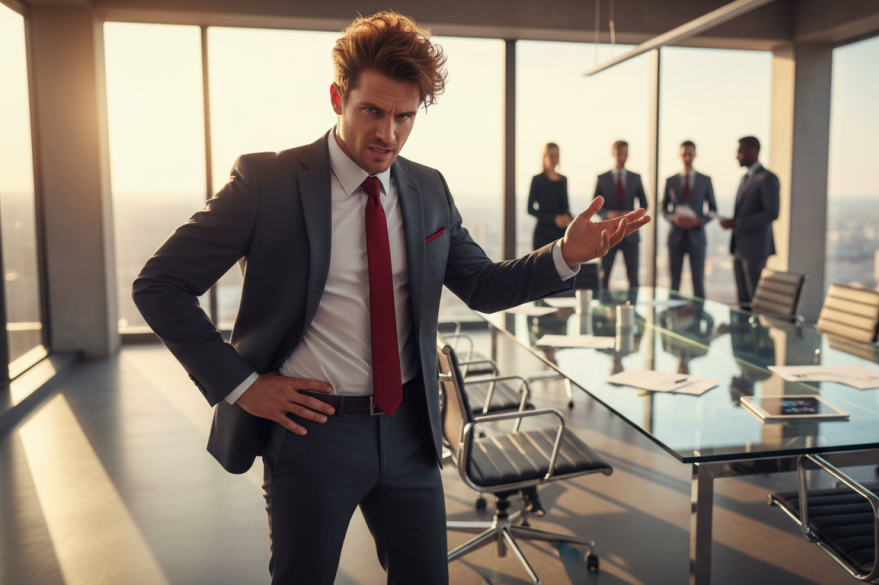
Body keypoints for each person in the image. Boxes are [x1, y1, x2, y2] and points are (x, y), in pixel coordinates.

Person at [131, 12, 650, 585]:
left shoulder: (427, 188)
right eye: (372, 111)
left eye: (405, 117)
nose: (388, 134)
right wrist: (244, 387)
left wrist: (566, 255)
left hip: (410, 432)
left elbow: (481, 285)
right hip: (312, 435)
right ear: (337, 98)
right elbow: (159, 285)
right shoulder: (268, 184)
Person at [719, 136, 779, 305]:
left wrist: (738, 223)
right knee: (743, 302)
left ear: (753, 150)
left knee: (756, 302)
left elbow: (772, 213)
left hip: (756, 250)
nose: (737, 155)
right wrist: (733, 222)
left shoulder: (767, 178)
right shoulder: (745, 178)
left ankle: (759, 333)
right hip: (739, 248)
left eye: (740, 151)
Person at [662, 140, 717, 297]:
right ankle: (671, 318)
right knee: (674, 283)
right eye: (684, 154)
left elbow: (713, 209)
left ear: (695, 155)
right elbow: (663, 209)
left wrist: (699, 221)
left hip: (697, 237)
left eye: (690, 154)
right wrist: (674, 218)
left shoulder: (705, 180)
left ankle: (699, 318)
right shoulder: (670, 181)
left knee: (698, 282)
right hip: (676, 237)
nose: (687, 157)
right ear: (680, 155)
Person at [594, 140, 647, 289]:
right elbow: (595, 206)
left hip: (630, 234)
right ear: (613, 154)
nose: (621, 156)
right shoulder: (602, 178)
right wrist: (608, 214)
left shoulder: (636, 177)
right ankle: (602, 310)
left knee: (633, 278)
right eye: (619, 153)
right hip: (609, 233)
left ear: (628, 154)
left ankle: (633, 310)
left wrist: (630, 215)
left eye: (624, 153)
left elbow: (644, 204)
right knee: (604, 277)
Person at [527, 143, 572, 249]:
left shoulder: (563, 180)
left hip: (560, 234)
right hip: (543, 234)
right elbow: (530, 209)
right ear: (544, 156)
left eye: (556, 155)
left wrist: (568, 217)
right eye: (551, 155)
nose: (554, 158)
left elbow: (565, 207)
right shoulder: (537, 180)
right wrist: (554, 219)